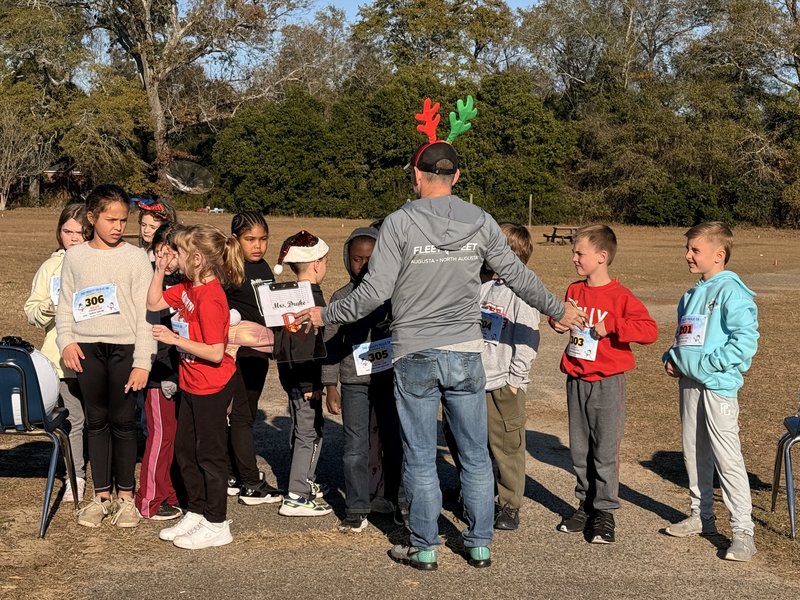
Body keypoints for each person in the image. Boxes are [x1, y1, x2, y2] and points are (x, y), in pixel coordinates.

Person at [299, 139, 585, 570]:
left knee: (419, 455)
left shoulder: (398, 223)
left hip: (414, 352)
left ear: (417, 175)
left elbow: (374, 292)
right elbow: (516, 274)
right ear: (457, 177)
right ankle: (479, 543)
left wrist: (326, 313)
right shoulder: (481, 220)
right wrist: (559, 310)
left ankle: (425, 545)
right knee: (474, 454)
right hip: (466, 352)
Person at [55, 184, 156, 528]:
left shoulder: (136, 258)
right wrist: (66, 342)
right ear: (91, 217)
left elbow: (147, 315)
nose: (118, 226)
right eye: (111, 219)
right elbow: (65, 304)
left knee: (124, 422)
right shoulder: (75, 257)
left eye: (123, 220)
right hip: (86, 349)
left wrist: (142, 362)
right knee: (96, 421)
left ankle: (125, 497)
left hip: (126, 349)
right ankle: (101, 497)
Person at [551, 225, 657, 544]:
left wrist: (611, 325)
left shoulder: (620, 296)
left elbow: (649, 331)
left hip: (608, 383)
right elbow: (561, 319)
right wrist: (558, 322)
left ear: (601, 256)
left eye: (579, 253)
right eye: (573, 252)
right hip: (576, 380)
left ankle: (605, 511)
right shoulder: (574, 290)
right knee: (580, 449)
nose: (574, 258)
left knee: (605, 450)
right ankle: (585, 505)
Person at [662, 221, 759, 562]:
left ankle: (743, 532)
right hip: (689, 385)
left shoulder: (732, 291)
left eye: (695, 250)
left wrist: (708, 366)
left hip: (718, 387)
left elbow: (745, 341)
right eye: (687, 249)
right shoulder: (690, 295)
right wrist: (671, 358)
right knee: (693, 451)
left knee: (726, 457)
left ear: (718, 255)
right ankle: (701, 516)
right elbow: (683, 337)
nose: (688, 255)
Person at [148, 224, 242, 549]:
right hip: (191, 384)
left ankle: (217, 523)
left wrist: (175, 339)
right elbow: (154, 302)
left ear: (197, 259)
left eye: (180, 252)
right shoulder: (188, 287)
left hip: (212, 386)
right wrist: (159, 270)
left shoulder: (211, 298)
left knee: (210, 456)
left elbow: (216, 353)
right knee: (185, 450)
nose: (175, 256)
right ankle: (197, 511)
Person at [322, 226, 402, 533]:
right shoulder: (341, 298)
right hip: (354, 384)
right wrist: (330, 386)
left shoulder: (394, 296)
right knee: (355, 446)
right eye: (357, 259)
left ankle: (396, 500)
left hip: (390, 381)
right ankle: (356, 508)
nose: (364, 265)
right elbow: (329, 346)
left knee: (394, 442)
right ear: (347, 259)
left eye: (370, 259)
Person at [476, 222, 541, 532]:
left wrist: (515, 381)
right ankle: (477, 492)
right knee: (477, 443)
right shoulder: (486, 286)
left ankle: (509, 503)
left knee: (507, 447)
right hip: (477, 380)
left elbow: (528, 339)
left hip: (503, 384)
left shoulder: (523, 290)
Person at [24, 203, 88, 502]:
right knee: (72, 418)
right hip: (61, 359)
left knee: (101, 420)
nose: (73, 238)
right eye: (67, 231)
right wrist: (49, 307)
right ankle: (76, 476)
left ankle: (110, 478)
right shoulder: (50, 267)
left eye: (80, 232)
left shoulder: (99, 262)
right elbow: (32, 310)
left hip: (98, 355)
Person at [272, 231, 333, 517]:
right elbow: (307, 345)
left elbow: (284, 341)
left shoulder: (286, 296)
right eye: (326, 262)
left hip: (290, 375)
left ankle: (305, 480)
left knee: (300, 429)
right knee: (310, 432)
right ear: (317, 264)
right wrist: (311, 382)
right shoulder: (312, 300)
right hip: (307, 378)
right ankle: (297, 494)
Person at [225, 211, 282, 505]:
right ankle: (249, 482)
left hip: (260, 352)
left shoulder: (263, 268)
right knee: (241, 416)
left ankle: (234, 474)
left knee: (243, 414)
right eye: (250, 239)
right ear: (235, 240)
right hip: (238, 352)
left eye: (263, 239)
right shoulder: (228, 269)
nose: (258, 245)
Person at [135, 223, 184, 521]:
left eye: (172, 253)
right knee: (160, 436)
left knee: (174, 436)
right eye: (161, 252)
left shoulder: (182, 282)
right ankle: (149, 499)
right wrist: (165, 374)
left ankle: (169, 491)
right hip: (159, 373)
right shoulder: (150, 282)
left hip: (182, 371)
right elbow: (151, 330)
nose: (166, 259)